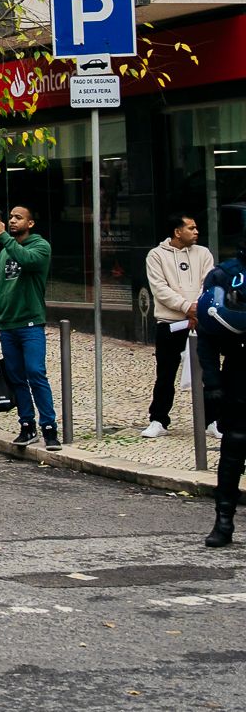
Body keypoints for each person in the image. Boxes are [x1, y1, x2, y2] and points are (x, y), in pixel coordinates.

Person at [0, 204, 59, 450]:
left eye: (19, 218)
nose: (12, 221)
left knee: (36, 373)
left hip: (30, 324)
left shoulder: (41, 247)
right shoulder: (4, 253)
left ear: (30, 224)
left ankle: (49, 428)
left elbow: (26, 260)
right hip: (8, 326)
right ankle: (26, 425)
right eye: (11, 217)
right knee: (17, 378)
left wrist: (3, 235)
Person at [143, 213, 215, 438]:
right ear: (177, 232)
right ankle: (158, 420)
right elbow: (160, 289)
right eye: (191, 228)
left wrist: (198, 309)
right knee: (165, 373)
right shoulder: (156, 256)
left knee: (209, 373)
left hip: (200, 323)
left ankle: (212, 421)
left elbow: (209, 282)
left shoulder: (203, 253)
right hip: (170, 323)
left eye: (196, 228)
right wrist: (187, 307)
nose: (196, 232)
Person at [197, 253, 246, 546]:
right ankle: (223, 521)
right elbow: (207, 334)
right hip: (240, 369)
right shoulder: (225, 274)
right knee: (235, 446)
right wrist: (212, 382)